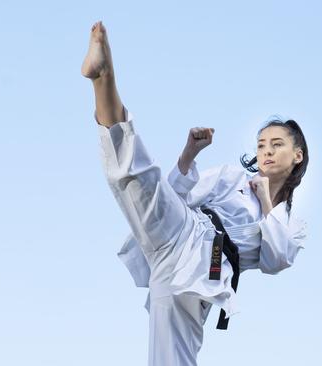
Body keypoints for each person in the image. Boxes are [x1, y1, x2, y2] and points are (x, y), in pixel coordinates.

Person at [82, 21, 309, 366]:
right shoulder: (232, 177)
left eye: (277, 145)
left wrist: (265, 202)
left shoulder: (289, 221)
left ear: (297, 155)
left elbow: (276, 259)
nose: (266, 151)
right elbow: (174, 196)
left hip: (208, 269)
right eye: (262, 144)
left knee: (171, 360)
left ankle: (103, 79)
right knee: (137, 178)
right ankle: (103, 77)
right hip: (184, 230)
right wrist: (189, 154)